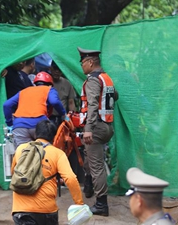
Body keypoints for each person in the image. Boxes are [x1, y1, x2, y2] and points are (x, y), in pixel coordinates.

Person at [11, 119, 84, 225]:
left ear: (36, 133)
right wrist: (79, 203)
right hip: (46, 211)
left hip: (21, 210)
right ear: (54, 137)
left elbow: (14, 173)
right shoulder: (57, 154)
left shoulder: (20, 149)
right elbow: (70, 178)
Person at [77, 47, 118, 216]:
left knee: (97, 167)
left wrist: (88, 129)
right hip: (107, 126)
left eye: (82, 62)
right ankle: (88, 183)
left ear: (90, 62)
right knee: (90, 157)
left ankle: (101, 205)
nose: (81, 66)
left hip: (96, 127)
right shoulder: (106, 78)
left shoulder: (93, 80)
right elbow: (115, 96)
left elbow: (93, 104)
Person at [3, 72, 66, 149]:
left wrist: (10, 124)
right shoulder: (49, 89)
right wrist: (63, 114)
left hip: (20, 126)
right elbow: (54, 101)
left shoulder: (24, 91)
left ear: (35, 83)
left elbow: (6, 105)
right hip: (40, 126)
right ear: (50, 84)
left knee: (23, 155)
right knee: (44, 154)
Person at [49, 61, 76, 127]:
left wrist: (72, 117)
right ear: (50, 68)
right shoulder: (46, 82)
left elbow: (71, 102)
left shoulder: (67, 83)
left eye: (59, 69)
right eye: (55, 69)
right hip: (48, 117)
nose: (57, 71)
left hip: (62, 117)